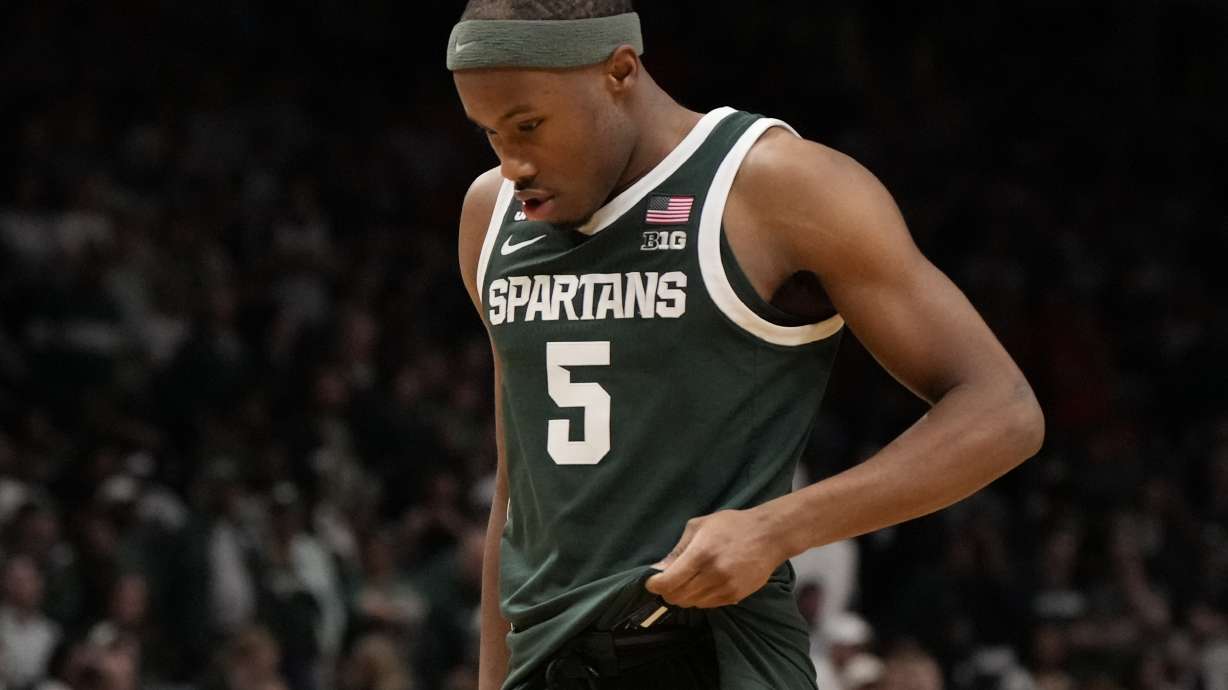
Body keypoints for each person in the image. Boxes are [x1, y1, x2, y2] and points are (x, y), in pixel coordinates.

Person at [447, 2, 1045, 689]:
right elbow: (520, 500)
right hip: (549, 665)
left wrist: (778, 528)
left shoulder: (774, 185)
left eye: (528, 126)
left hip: (715, 659)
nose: (512, 161)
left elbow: (1004, 411)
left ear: (619, 70)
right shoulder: (489, 216)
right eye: (489, 133)